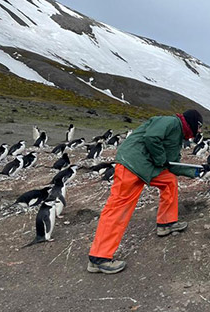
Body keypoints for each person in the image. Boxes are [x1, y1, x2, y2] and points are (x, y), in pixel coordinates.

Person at [87, 109, 203, 274]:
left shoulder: (178, 136)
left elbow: (172, 165)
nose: (199, 132)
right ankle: (99, 258)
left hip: (146, 166)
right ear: (192, 122)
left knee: (169, 181)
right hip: (132, 164)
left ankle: (166, 223)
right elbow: (151, 138)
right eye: (199, 127)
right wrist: (160, 158)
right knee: (118, 208)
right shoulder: (170, 122)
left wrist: (198, 171)